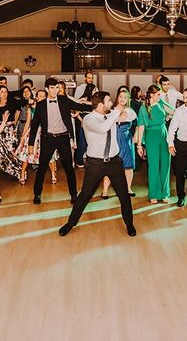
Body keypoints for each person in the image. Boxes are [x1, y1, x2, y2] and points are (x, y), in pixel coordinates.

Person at [58, 91, 136, 237]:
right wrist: (117, 113)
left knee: (124, 195)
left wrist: (124, 113)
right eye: (108, 101)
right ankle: (70, 223)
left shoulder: (111, 115)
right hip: (95, 164)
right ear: (100, 105)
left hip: (114, 162)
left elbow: (132, 115)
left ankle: (130, 224)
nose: (111, 104)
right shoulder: (89, 119)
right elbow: (103, 128)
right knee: (85, 195)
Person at [28, 78, 90, 205]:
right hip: (48, 139)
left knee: (69, 168)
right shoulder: (40, 105)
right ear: (46, 89)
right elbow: (34, 126)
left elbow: (80, 106)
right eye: (52, 88)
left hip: (63, 138)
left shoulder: (64, 100)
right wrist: (31, 144)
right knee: (42, 168)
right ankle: (37, 194)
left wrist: (97, 106)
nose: (55, 90)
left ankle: (73, 194)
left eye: (57, 88)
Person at [136, 84, 174, 203]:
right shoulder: (143, 107)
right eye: (158, 94)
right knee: (153, 166)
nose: (160, 96)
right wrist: (139, 145)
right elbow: (141, 126)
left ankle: (165, 193)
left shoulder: (161, 102)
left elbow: (173, 112)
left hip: (164, 135)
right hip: (151, 136)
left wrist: (168, 116)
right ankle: (154, 194)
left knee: (166, 164)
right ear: (151, 95)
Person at [16, 89, 58, 185]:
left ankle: (53, 174)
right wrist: (23, 135)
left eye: (44, 96)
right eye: (40, 96)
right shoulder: (31, 108)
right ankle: (22, 173)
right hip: (34, 133)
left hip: (47, 132)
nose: (42, 97)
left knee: (50, 154)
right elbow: (27, 122)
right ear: (36, 97)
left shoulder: (50, 107)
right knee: (27, 154)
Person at [101, 89, 137, 198]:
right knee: (110, 166)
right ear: (117, 97)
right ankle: (105, 190)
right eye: (121, 96)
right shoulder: (110, 110)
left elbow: (136, 123)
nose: (122, 99)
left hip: (126, 140)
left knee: (128, 166)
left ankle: (128, 188)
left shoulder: (130, 111)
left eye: (125, 97)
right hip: (112, 140)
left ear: (128, 100)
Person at [0, 86, 22, 179]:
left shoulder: (12, 102)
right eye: (2, 92)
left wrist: (15, 123)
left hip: (10, 128)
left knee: (12, 149)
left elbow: (18, 111)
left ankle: (18, 170)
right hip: (0, 128)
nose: (4, 94)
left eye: (5, 92)